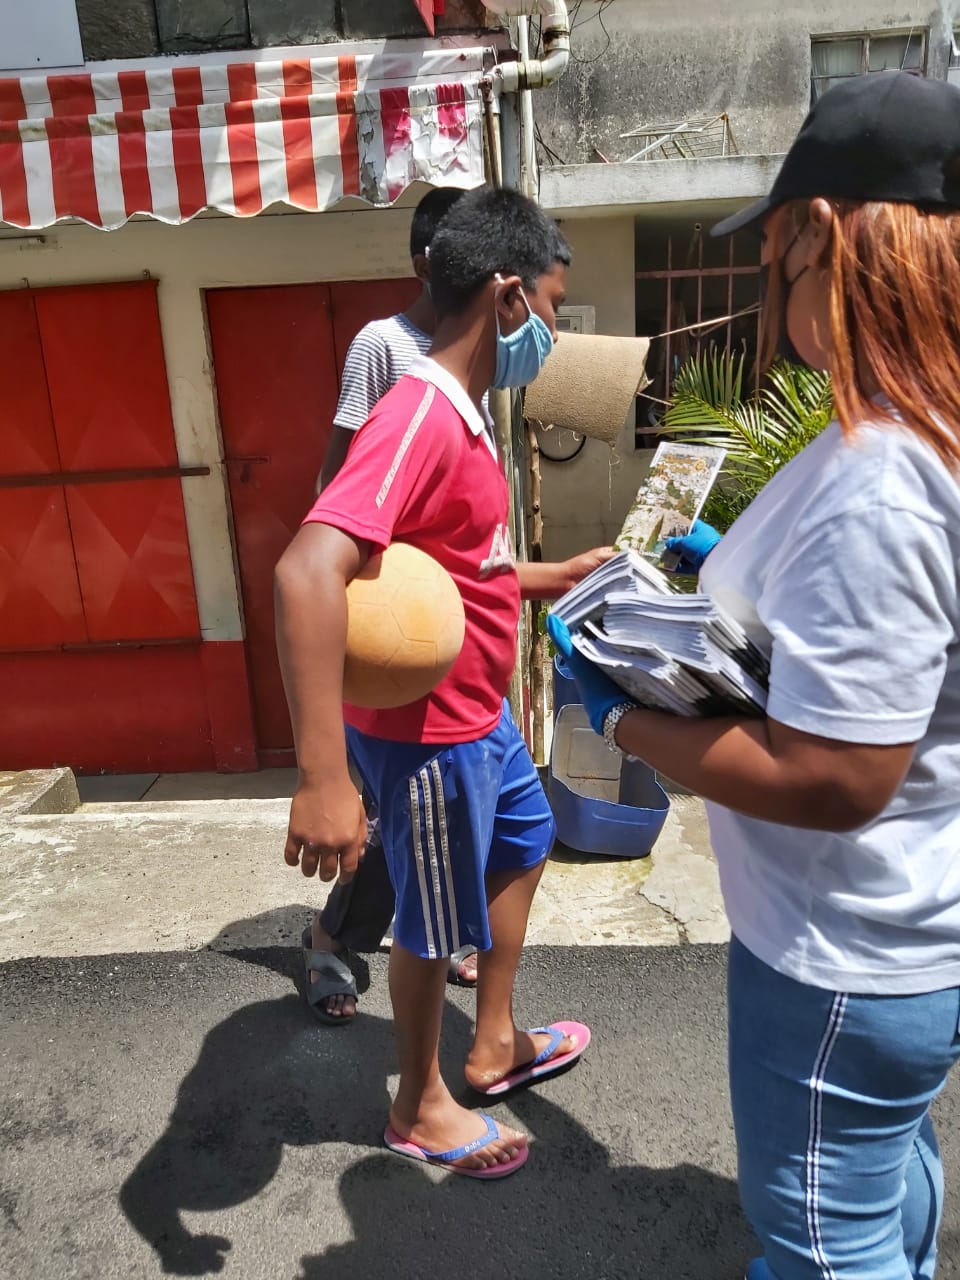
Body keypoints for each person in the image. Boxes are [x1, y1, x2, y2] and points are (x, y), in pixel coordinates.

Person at [551, 70, 960, 1276]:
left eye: (774, 250)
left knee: (824, 1247)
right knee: (888, 1182)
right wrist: (736, 574)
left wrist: (621, 717)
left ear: (824, 231)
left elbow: (834, 776)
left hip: (842, 957)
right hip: (910, 932)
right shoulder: (920, 428)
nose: (767, 275)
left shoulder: (882, 481)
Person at [276, 185, 610, 1177]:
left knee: (527, 838)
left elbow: (468, 564)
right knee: (428, 922)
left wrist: (558, 574)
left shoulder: (465, 412)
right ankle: (418, 1104)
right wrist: (322, 775)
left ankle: (494, 1040)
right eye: (550, 307)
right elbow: (306, 569)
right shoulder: (420, 410)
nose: (552, 333)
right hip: (430, 733)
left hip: (481, 714)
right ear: (507, 296)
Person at [306, 186, 480, 1024]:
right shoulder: (385, 346)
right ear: (427, 263)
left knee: (458, 801)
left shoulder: (474, 354)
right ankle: (330, 939)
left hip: (454, 618)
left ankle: (440, 931)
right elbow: (337, 476)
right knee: (393, 811)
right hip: (394, 621)